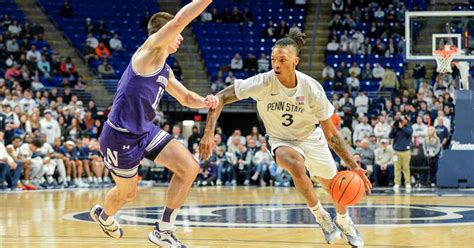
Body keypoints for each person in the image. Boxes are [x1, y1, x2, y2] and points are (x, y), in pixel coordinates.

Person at [199, 28, 371, 247]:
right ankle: (322, 218)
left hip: (311, 137)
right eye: (273, 59)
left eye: (282, 59)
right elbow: (221, 97)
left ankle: (345, 222)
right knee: (295, 164)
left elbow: (332, 135)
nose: (276, 64)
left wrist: (353, 166)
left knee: (335, 187)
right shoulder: (262, 82)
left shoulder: (311, 88)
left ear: (295, 61)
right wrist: (208, 132)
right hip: (281, 140)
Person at [89, 2, 218, 247]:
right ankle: (104, 215)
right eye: (177, 34)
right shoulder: (147, 54)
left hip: (145, 131)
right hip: (120, 137)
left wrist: (205, 101)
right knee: (127, 193)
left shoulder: (165, 69)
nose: (181, 38)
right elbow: (180, 20)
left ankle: (164, 230)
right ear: (165, 33)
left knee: (189, 167)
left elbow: (186, 97)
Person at [389, 115, 413, 192]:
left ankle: (407, 183)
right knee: (397, 168)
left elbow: (409, 132)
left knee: (406, 168)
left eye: (403, 120)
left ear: (406, 121)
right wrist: (394, 128)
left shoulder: (409, 127)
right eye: (400, 121)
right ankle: (397, 183)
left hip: (406, 151)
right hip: (396, 151)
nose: (401, 122)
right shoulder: (396, 128)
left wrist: (402, 127)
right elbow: (390, 136)